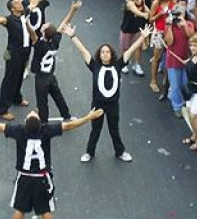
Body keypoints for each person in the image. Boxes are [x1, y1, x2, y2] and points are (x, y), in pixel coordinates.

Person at [61, 22, 153, 162]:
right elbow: (83, 51)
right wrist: (73, 36)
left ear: (111, 54)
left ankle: (120, 152)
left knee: (114, 129)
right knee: (95, 130)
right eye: (102, 52)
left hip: (113, 104)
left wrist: (142, 37)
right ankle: (89, 153)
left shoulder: (118, 64)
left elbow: (131, 49)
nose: (105, 54)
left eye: (107, 52)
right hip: (97, 104)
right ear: (99, 54)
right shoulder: (95, 65)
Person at [0, 0, 34, 121]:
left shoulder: (24, 14)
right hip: (14, 54)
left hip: (25, 52)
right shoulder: (9, 20)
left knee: (19, 77)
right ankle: (2, 110)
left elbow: (36, 2)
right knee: (10, 80)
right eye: (17, 3)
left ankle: (17, 98)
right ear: (12, 8)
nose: (20, 3)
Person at [31, 0, 81, 122]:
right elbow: (64, 24)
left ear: (44, 33)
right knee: (58, 96)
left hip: (41, 77)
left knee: (42, 102)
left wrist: (26, 21)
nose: (43, 25)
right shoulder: (55, 42)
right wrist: (72, 10)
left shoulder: (39, 44)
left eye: (44, 26)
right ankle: (67, 116)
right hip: (51, 75)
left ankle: (44, 122)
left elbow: (32, 32)